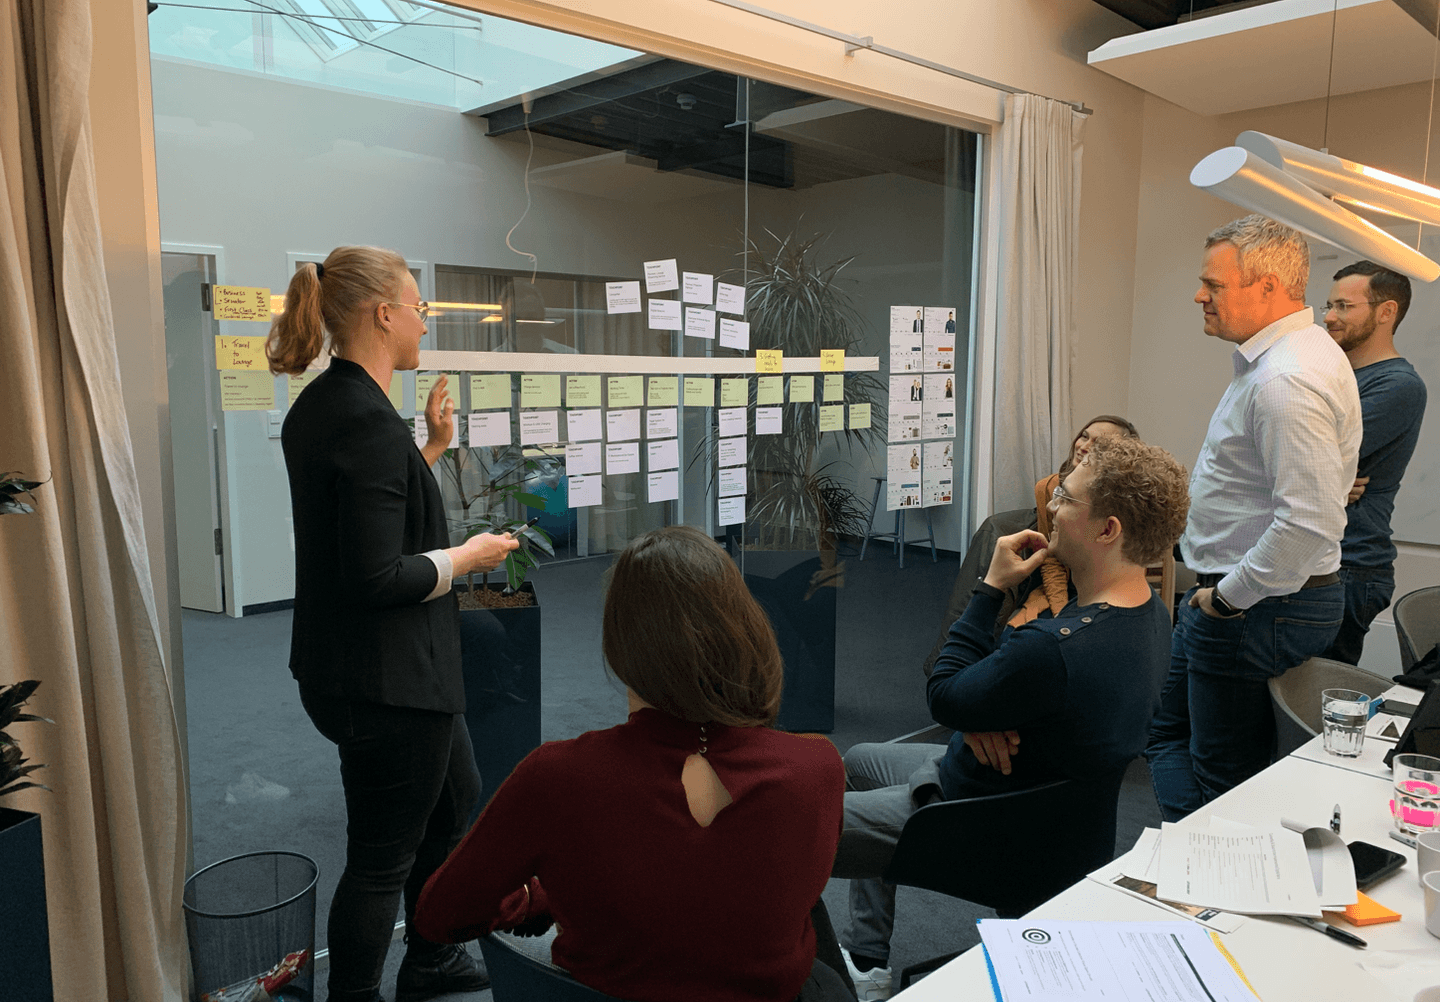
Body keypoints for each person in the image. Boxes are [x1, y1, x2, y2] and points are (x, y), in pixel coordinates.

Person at [413, 526, 850, 1002]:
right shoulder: (818, 767)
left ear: (620, 644)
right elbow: (707, 874)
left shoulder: (558, 776)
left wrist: (538, 897)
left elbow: (440, 915)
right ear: (743, 626)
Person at [834, 436, 1189, 999]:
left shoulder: (1051, 648)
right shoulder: (1151, 617)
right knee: (859, 759)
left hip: (974, 814)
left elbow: (944, 694)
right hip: (1059, 823)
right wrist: (983, 714)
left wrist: (991, 586)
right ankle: (869, 956)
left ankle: (822, 978)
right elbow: (1016, 701)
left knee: (786, 831)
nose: (1051, 507)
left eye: (1066, 499)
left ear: (1107, 530)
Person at [269, 246, 519, 1002]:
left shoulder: (328, 406)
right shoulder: (367, 424)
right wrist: (467, 558)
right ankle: (355, 994)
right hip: (387, 682)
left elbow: (366, 512)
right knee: (381, 858)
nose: (424, 319)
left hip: (356, 667)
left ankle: (434, 956)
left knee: (456, 793)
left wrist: (432, 450)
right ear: (384, 313)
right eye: (418, 305)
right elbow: (377, 573)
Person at [1145, 215, 1361, 823]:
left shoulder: (1286, 379)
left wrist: (1227, 600)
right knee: (1178, 742)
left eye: (1213, 282)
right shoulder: (1291, 357)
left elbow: (1308, 524)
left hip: (1257, 606)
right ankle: (1201, 871)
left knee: (1222, 783)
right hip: (1257, 601)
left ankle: (1209, 891)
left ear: (1267, 287)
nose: (1199, 295)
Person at [1320, 261, 1427, 665]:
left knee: (1313, 702)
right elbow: (1293, 455)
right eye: (1328, 305)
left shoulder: (1398, 385)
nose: (1330, 317)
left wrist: (1318, 477)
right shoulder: (1333, 377)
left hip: (1351, 565)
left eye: (1345, 306)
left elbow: (1317, 454)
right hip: (1322, 558)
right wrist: (1324, 483)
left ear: (1386, 312)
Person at [1008, 415, 1139, 629]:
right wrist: (1061, 613)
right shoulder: (1048, 488)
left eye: (1098, 444)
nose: (1084, 447)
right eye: (1084, 437)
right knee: (1020, 636)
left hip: (1108, 593)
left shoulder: (1126, 498)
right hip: (1063, 589)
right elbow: (1052, 561)